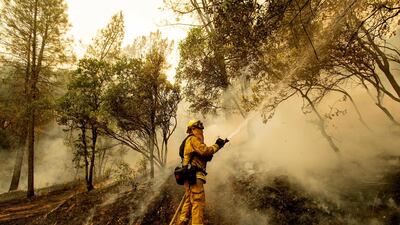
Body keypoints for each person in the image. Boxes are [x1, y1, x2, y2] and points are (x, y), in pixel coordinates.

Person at [177, 119, 228, 225]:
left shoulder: (190, 140)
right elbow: (205, 151)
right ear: (193, 128)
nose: (202, 129)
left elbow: (204, 156)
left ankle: (182, 222)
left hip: (190, 176)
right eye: (199, 126)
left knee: (189, 201)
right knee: (198, 202)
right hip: (194, 176)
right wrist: (217, 145)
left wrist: (218, 146)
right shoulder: (193, 139)